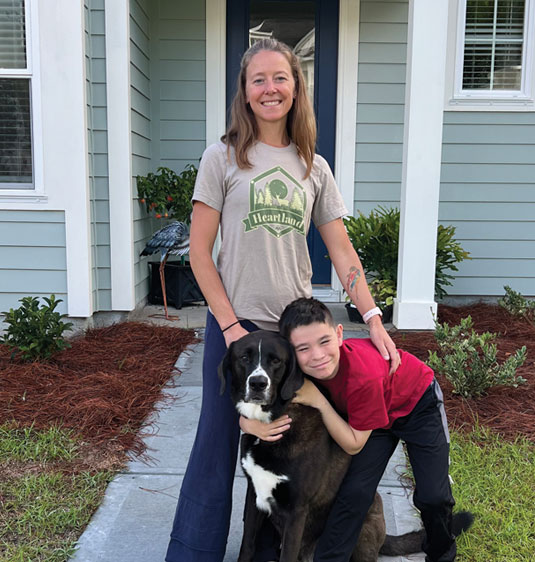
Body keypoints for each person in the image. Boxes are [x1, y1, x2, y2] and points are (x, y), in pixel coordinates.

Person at [165, 38, 400, 562]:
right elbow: (200, 254)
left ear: (296, 89)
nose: (270, 89)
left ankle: (277, 548)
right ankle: (191, 552)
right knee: (218, 446)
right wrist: (230, 329)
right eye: (258, 80)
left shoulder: (312, 166)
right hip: (237, 326)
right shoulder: (221, 157)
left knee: (289, 446)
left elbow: (342, 251)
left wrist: (373, 316)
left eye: (281, 78)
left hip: (294, 339)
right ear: (245, 94)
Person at [243, 297, 458, 562]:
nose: (318, 356)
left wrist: (318, 400)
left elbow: (354, 443)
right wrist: (247, 424)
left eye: (324, 341)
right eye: (304, 348)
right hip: (369, 420)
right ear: (291, 352)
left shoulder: (362, 375)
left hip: (416, 404)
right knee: (353, 493)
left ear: (339, 334)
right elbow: (259, 405)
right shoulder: (300, 371)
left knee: (433, 497)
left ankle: (442, 553)